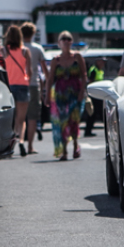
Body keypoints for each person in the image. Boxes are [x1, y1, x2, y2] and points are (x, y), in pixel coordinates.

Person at [49, 31, 87, 160]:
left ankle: (76, 145)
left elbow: (84, 76)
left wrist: (82, 92)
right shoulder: (56, 60)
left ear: (71, 42)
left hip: (75, 95)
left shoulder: (77, 57)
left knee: (74, 121)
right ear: (59, 43)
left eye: (68, 39)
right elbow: (50, 79)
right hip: (60, 96)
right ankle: (64, 150)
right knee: (62, 122)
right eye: (63, 39)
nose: (66, 41)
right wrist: (46, 96)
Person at [2, 25, 32, 155]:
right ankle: (20, 141)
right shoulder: (25, 51)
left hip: (8, 86)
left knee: (11, 118)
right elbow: (29, 71)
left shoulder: (3, 51)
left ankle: (11, 142)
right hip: (22, 85)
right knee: (21, 119)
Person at [21, 22, 48, 153]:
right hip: (33, 85)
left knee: (19, 117)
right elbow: (44, 69)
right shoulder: (38, 49)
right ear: (32, 34)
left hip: (18, 84)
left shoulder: (17, 49)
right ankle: (30, 146)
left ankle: (17, 142)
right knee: (32, 117)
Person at [84, 58, 104, 137]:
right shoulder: (94, 70)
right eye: (102, 62)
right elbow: (90, 82)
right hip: (94, 95)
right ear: (97, 61)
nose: (103, 63)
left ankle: (89, 130)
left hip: (99, 95)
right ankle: (87, 131)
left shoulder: (100, 70)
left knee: (97, 113)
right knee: (92, 113)